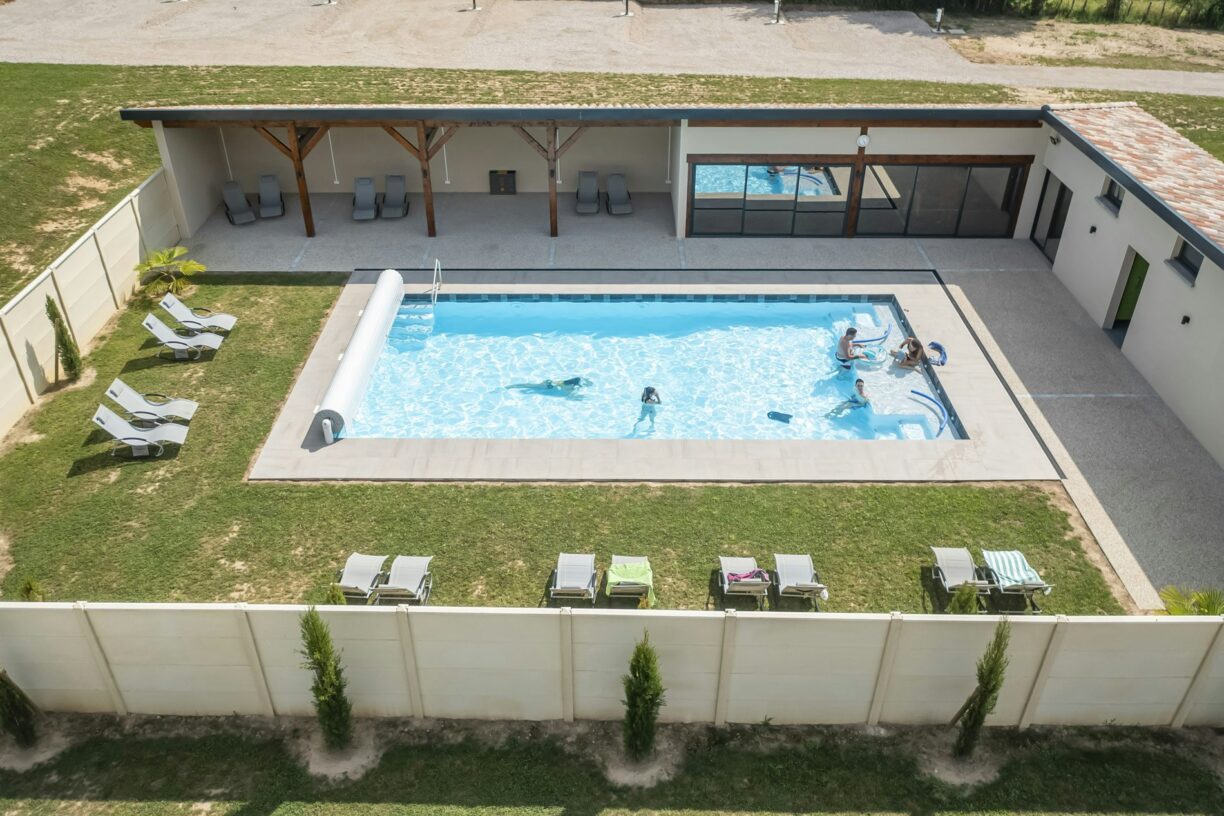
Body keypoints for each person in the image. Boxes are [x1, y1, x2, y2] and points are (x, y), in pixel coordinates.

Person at [507, 377, 591, 396]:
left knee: (530, 386)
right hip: (552, 386)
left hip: (553, 385)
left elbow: (525, 385)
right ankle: (511, 386)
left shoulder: (566, 385)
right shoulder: (569, 387)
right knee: (530, 386)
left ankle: (511, 386)